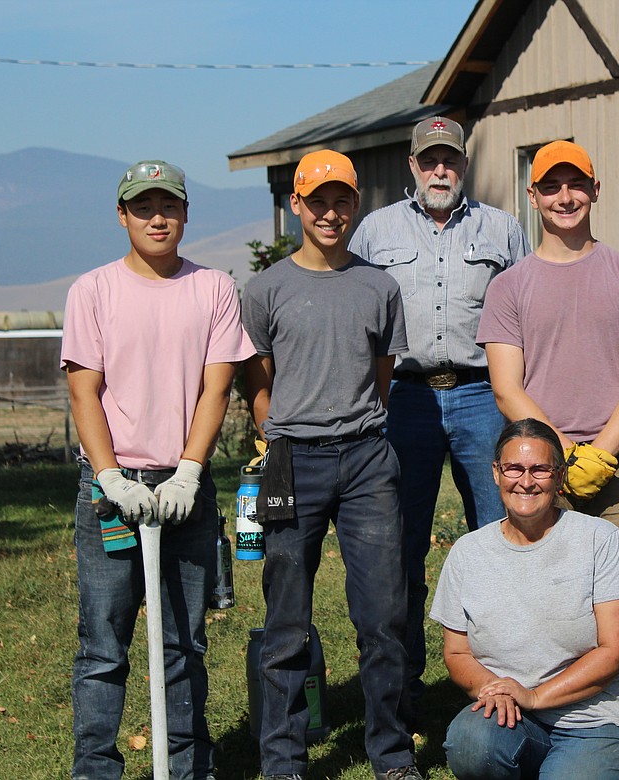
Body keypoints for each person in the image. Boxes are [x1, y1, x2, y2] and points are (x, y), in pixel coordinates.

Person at [477, 140, 619, 780]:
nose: (565, 197)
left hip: (616, 465)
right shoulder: (509, 286)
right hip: (537, 469)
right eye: (551, 186)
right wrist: (560, 456)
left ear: (594, 191)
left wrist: (602, 453)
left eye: (577, 185)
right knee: (533, 601)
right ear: (533, 197)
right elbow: (507, 386)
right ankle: (535, 724)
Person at [62, 160, 255, 780]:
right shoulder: (92, 291)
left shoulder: (214, 289)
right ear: (122, 215)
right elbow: (84, 393)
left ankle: (188, 765)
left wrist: (191, 471)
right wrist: (110, 476)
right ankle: (96, 770)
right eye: (142, 207)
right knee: (103, 646)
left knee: (182, 644)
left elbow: (216, 390)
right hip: (111, 494)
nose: (156, 218)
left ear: (185, 214)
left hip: (184, 490)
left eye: (167, 206)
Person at [240, 149, 422, 780]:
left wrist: (353, 430)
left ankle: (391, 755)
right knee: (286, 619)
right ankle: (283, 759)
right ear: (297, 205)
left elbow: (381, 380)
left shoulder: (380, 287)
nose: (330, 213)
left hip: (369, 460)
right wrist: (280, 437)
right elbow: (258, 384)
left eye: (341, 200)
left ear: (355, 205)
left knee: (384, 616)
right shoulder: (264, 291)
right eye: (317, 201)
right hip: (293, 461)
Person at [348, 116, 530, 719]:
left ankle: (503, 681)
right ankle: (402, 692)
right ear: (413, 166)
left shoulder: (503, 230)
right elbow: (357, 318)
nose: (440, 170)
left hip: (484, 396)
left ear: (464, 163)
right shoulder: (374, 233)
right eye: (430, 161)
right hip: (405, 400)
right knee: (399, 546)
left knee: (503, 538)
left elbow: (530, 315)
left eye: (450, 159)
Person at [431, 417, 619, 780]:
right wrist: (490, 689)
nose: (525, 481)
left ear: (560, 477)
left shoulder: (600, 540)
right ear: (496, 473)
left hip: (594, 720)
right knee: (470, 742)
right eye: (514, 468)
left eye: (540, 469)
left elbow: (617, 650)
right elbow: (456, 652)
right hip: (509, 714)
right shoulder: (468, 553)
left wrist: (536, 696)